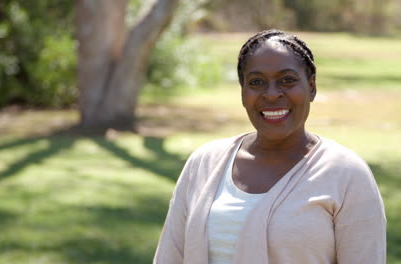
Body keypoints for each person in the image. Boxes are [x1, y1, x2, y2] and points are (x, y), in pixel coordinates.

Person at [153, 29, 386, 264]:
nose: (272, 94)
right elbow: (170, 256)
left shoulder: (347, 174)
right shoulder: (204, 163)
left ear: (312, 87)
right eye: (256, 82)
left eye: (287, 80)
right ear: (243, 92)